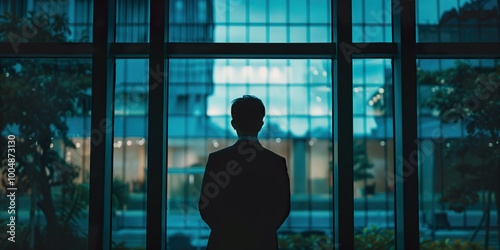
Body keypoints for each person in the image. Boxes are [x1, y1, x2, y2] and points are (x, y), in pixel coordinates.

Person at [199, 95, 291, 250]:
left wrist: (225, 231)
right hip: (262, 242)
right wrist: (263, 231)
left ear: (233, 124)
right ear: (261, 124)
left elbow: (206, 205)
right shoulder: (276, 162)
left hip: (224, 242)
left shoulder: (217, 159)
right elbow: (283, 207)